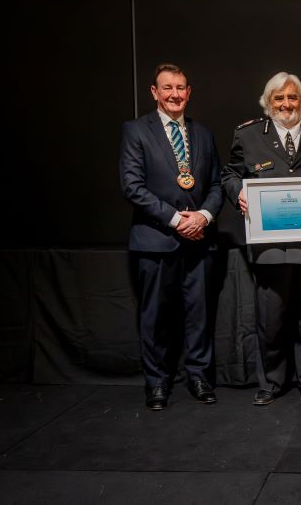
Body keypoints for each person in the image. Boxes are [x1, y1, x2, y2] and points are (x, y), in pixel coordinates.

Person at [221, 72, 301, 406]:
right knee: (271, 317)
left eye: (293, 97)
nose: (286, 104)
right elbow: (230, 174)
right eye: (279, 98)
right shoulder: (248, 135)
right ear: (268, 103)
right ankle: (272, 382)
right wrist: (238, 194)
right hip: (269, 246)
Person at [120, 63, 223, 410]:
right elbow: (132, 187)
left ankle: (199, 377)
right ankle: (157, 384)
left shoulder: (203, 134)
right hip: (155, 240)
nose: (175, 94)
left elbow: (216, 184)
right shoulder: (136, 131)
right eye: (167, 88)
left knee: (199, 314)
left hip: (200, 240)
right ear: (154, 92)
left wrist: (204, 216)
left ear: (188, 92)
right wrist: (178, 219)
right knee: (155, 316)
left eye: (180, 87)